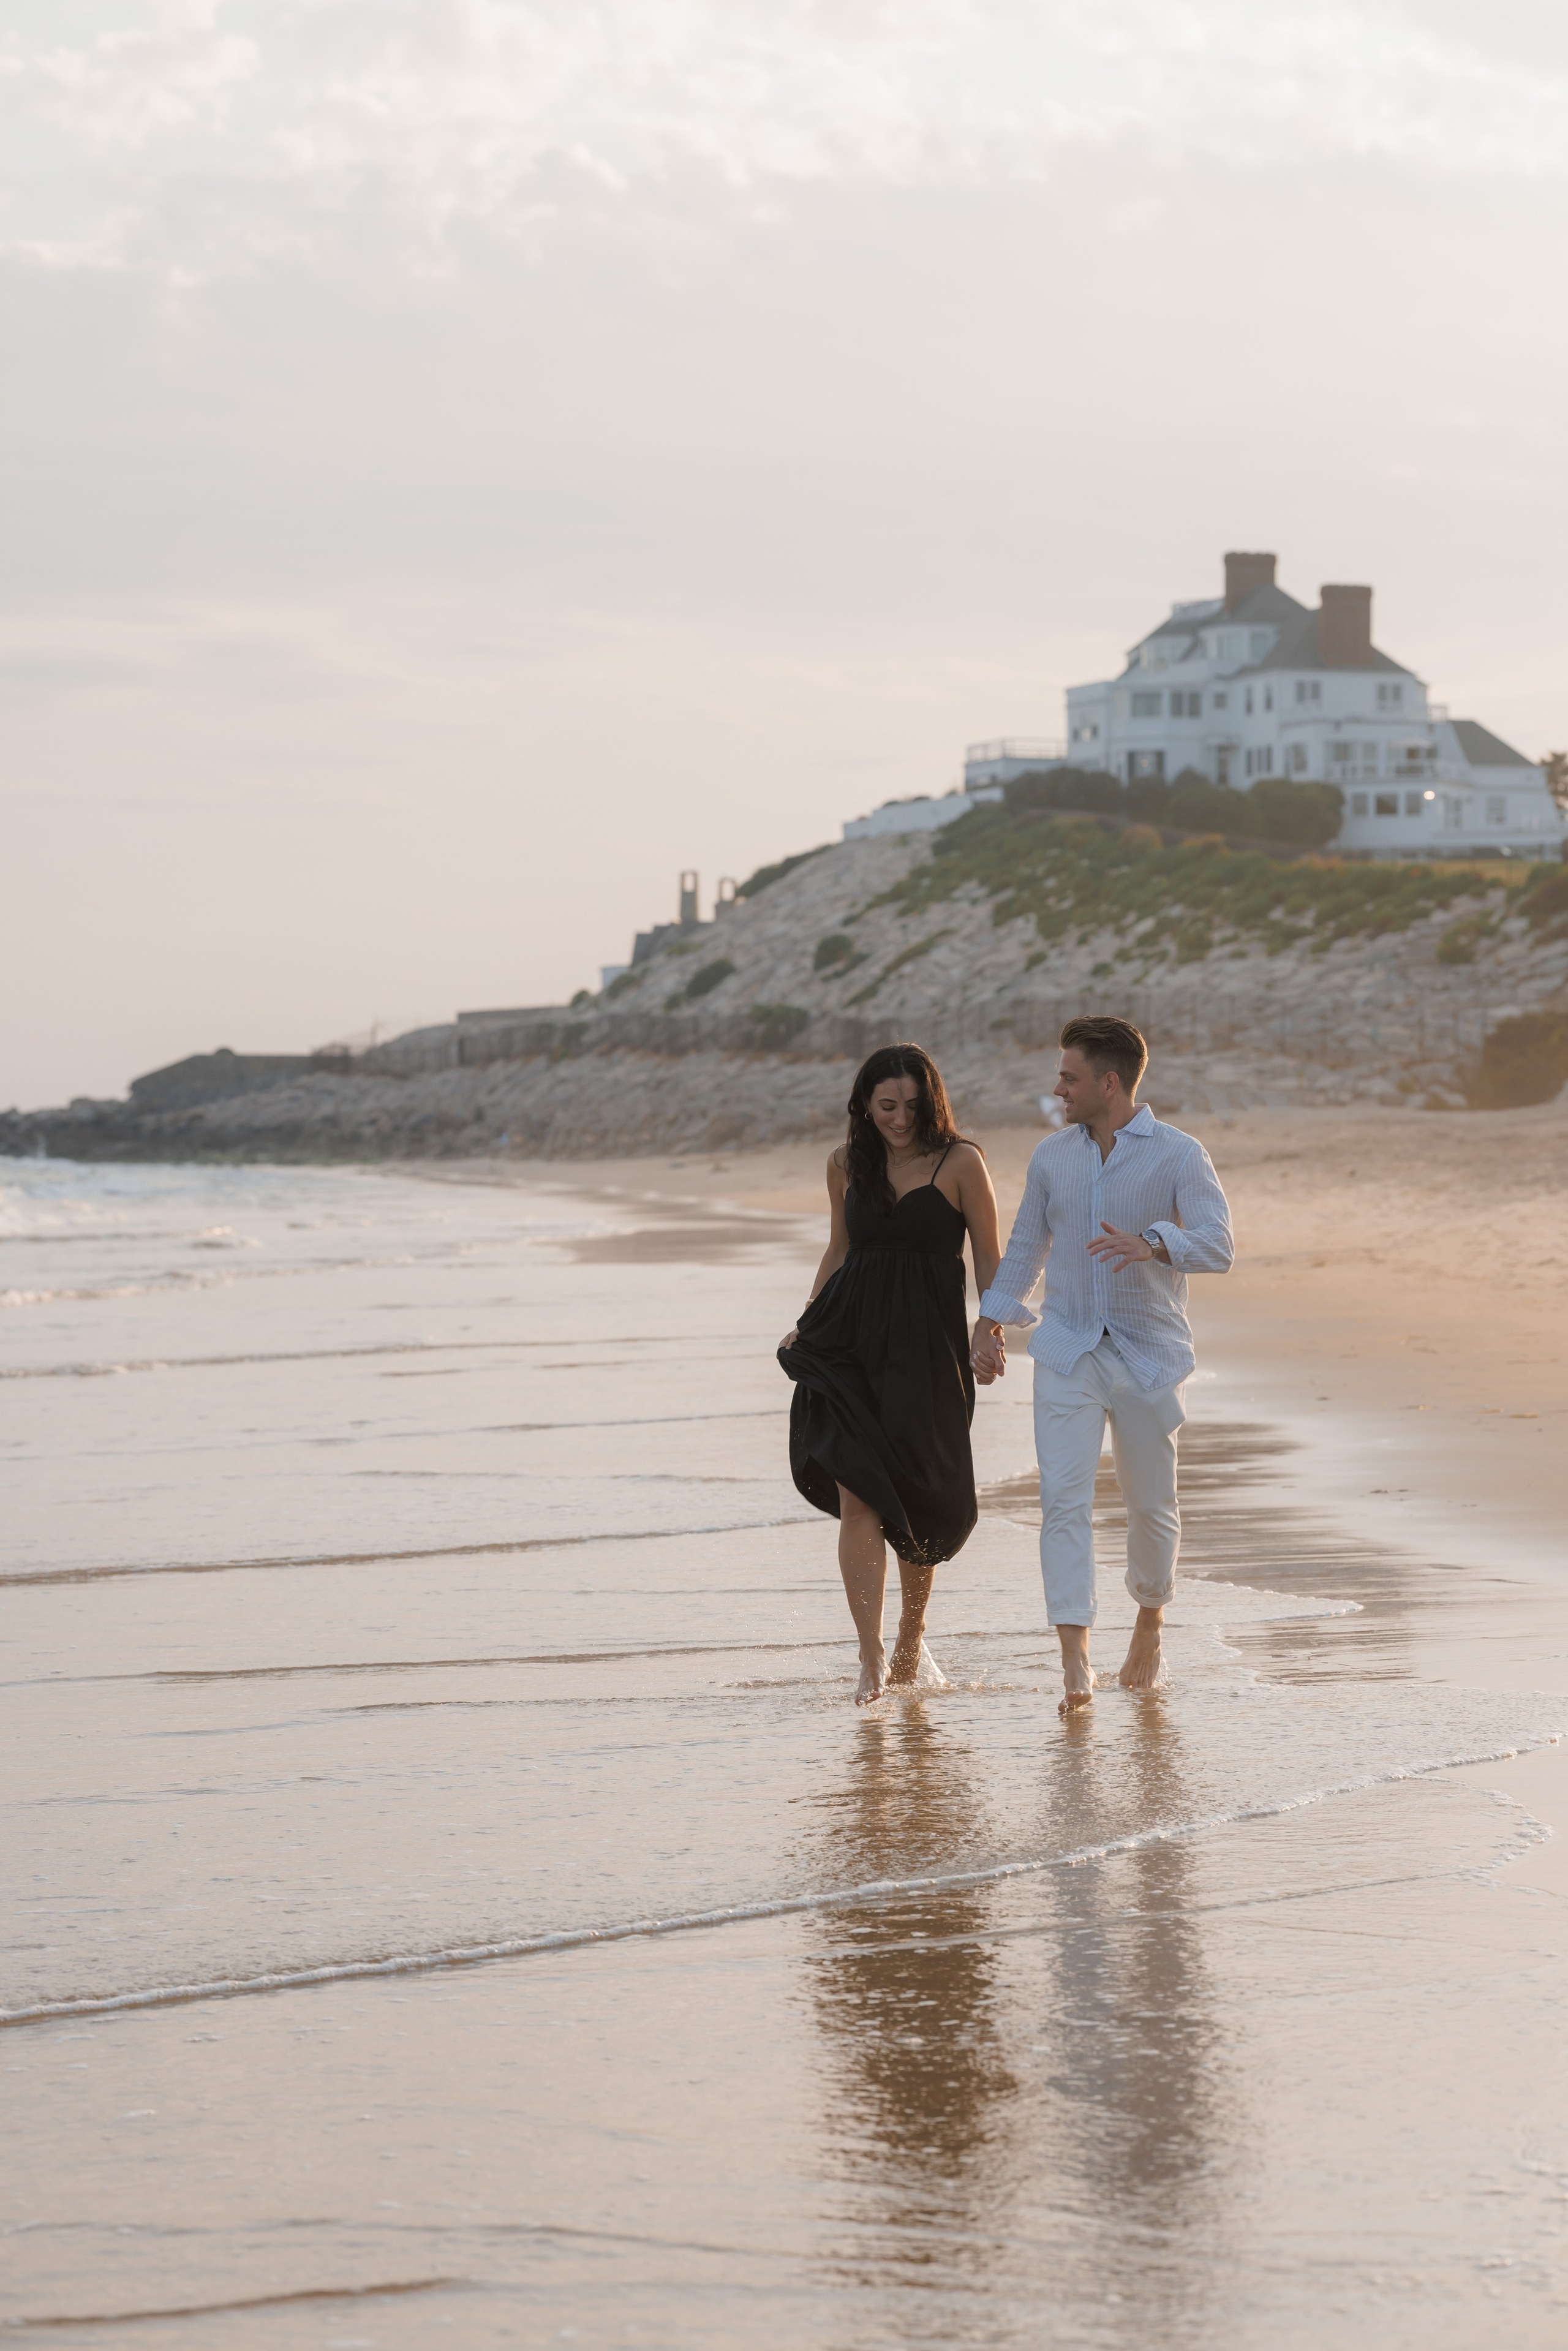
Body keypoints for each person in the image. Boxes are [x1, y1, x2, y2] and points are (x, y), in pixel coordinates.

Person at [969, 1016, 1234, 1715]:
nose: (1058, 1088)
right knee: (1063, 1499)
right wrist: (989, 1320)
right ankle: (1074, 1658)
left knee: (1150, 1507)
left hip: (1149, 1353)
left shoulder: (1179, 1155)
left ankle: (1150, 1622)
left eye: (1069, 1077)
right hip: (1067, 1348)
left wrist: (1153, 1242)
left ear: (1108, 1084)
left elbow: (1219, 1245)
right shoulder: (1052, 1156)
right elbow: (1025, 1247)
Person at [779, 1044, 1003, 1704]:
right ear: (863, 1105)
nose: (899, 1119)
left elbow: (990, 1256)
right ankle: (871, 1654)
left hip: (928, 1351)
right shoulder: (845, 1164)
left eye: (911, 1105)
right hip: (850, 1343)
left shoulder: (960, 1162)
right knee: (859, 1497)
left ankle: (911, 1634)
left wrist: (987, 1330)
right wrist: (809, 1317)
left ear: (930, 1102)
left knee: (916, 1492)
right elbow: (840, 1250)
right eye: (886, 1106)